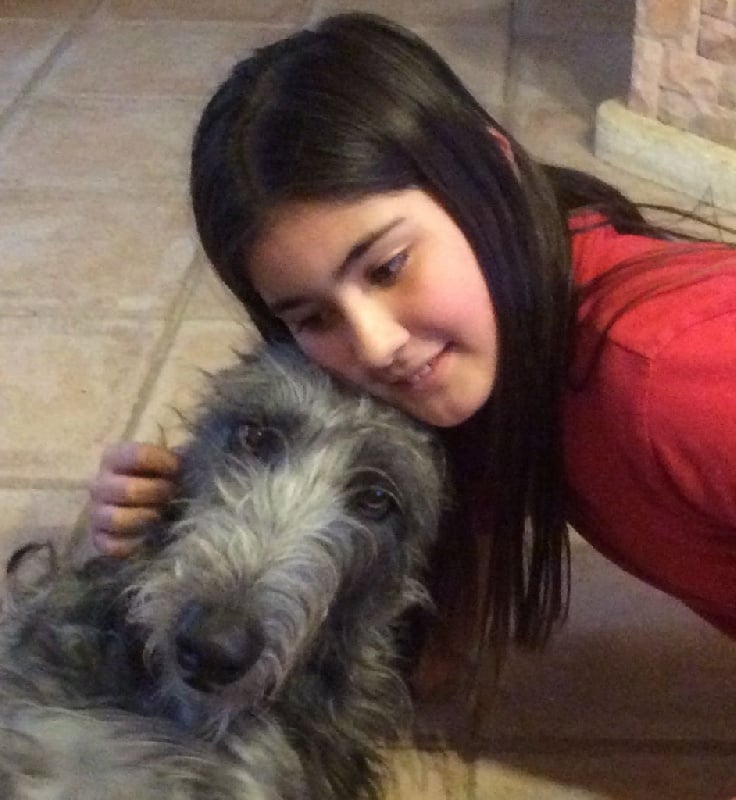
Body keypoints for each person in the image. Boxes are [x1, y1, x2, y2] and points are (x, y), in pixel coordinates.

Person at [88, 13, 736, 698]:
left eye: (388, 267)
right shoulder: (501, 346)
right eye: (314, 316)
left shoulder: (672, 378)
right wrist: (192, 491)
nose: (375, 346)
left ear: (494, 169)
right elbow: (438, 657)